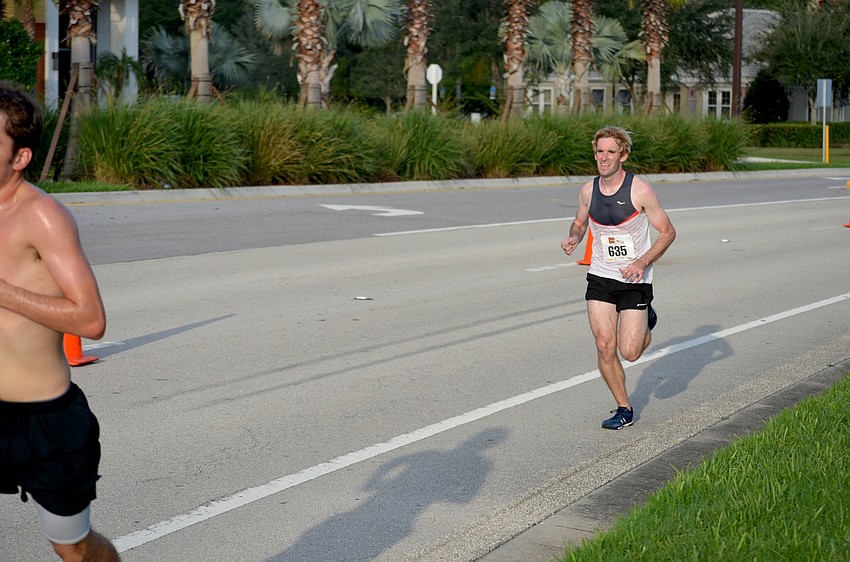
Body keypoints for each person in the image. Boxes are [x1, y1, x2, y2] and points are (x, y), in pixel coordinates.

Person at [0, 84, 120, 560]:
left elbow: (90, 319)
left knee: (74, 549)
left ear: (20, 156)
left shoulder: (42, 216)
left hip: (45, 420)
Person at [561, 126, 676, 430]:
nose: (604, 157)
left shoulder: (640, 190)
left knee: (630, 352)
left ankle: (646, 320)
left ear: (623, 154)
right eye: (600, 151)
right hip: (600, 274)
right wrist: (574, 237)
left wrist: (642, 262)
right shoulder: (588, 190)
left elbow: (668, 232)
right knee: (603, 345)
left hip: (634, 279)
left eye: (611, 151)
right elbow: (579, 221)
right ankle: (623, 408)